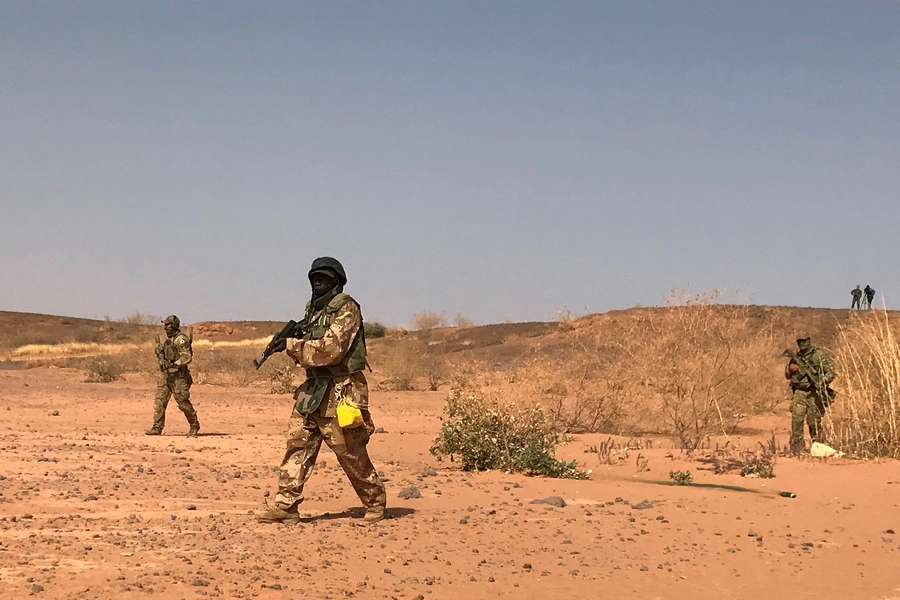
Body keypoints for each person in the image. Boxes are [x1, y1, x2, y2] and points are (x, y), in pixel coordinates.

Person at [256, 257, 386, 524]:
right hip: (313, 388)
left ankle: (374, 501)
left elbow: (331, 350)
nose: (318, 283)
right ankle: (286, 505)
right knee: (298, 445)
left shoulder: (347, 308)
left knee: (349, 449)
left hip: (341, 389)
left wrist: (291, 346)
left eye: (324, 278)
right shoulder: (313, 310)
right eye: (315, 278)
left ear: (336, 281)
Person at [145, 315, 200, 437]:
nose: (165, 328)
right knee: (160, 401)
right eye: (164, 325)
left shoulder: (181, 340)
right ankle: (157, 427)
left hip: (178, 377)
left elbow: (187, 356)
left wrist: (175, 364)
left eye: (167, 325)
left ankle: (194, 424)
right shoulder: (168, 341)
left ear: (174, 326)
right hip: (166, 376)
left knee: (182, 402)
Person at [785, 335, 835, 454]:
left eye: (804, 341)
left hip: (814, 393)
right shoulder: (796, 357)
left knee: (813, 421)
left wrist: (823, 380)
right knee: (797, 420)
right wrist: (790, 369)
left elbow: (831, 372)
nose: (802, 343)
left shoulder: (818, 355)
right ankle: (797, 450)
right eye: (799, 341)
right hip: (799, 392)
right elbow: (787, 375)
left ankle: (818, 448)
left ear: (808, 341)